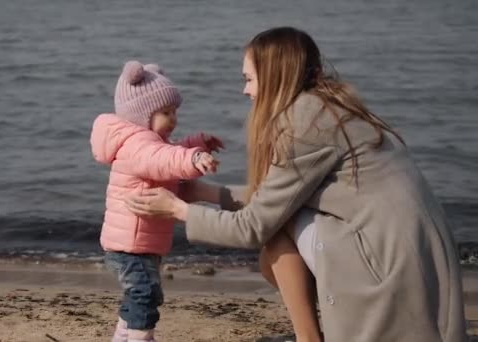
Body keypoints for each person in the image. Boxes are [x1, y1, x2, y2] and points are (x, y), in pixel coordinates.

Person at [125, 27, 468, 342]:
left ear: (275, 78)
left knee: (273, 235)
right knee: (277, 229)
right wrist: (201, 192)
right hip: (410, 263)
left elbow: (254, 226)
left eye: (249, 79)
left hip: (387, 271)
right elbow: (277, 199)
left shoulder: (304, 125)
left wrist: (177, 210)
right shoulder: (329, 108)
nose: (244, 89)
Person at [90, 60, 223, 342]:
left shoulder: (148, 141)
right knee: (146, 294)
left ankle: (123, 337)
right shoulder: (138, 145)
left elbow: (169, 151)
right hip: (129, 245)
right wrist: (194, 159)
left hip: (139, 242)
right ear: (141, 115)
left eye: (174, 111)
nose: (173, 117)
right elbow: (164, 160)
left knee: (137, 294)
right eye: (165, 112)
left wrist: (197, 143)